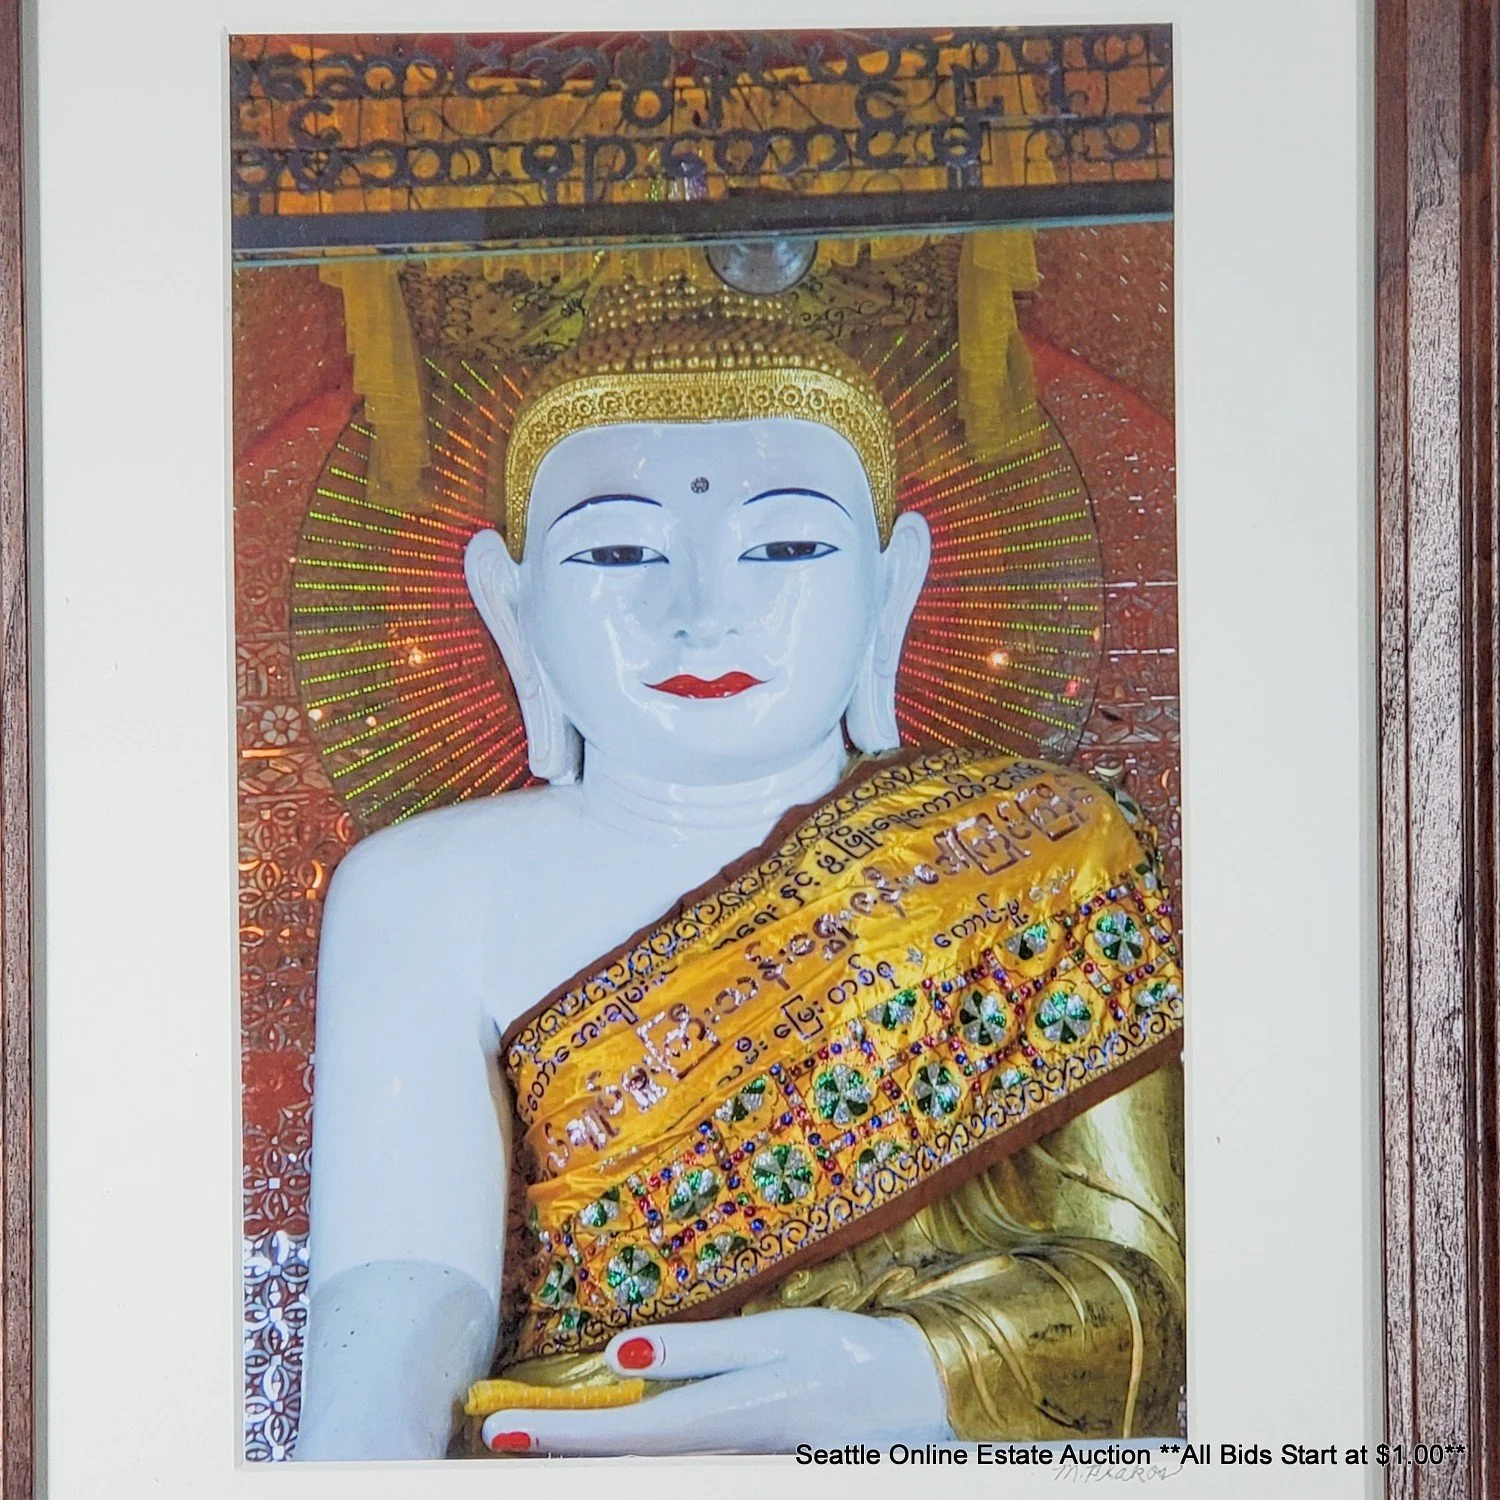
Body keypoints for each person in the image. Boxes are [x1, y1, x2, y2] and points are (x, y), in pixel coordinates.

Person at [292, 280, 1184, 1461]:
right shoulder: (418, 892)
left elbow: (1143, 1308)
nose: (702, 613)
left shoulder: (1043, 847)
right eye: (618, 550)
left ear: (890, 587)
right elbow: (399, 1296)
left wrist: (904, 1372)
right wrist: (359, 1461)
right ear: (513, 605)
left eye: (787, 545)